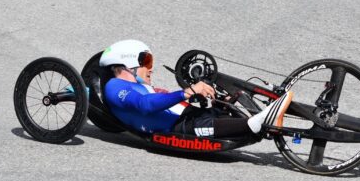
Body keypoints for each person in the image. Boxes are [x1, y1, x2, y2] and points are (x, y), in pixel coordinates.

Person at [99, 39, 293, 137]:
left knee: (226, 98)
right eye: (146, 61)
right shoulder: (114, 86)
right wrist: (187, 91)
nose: (150, 68)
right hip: (177, 128)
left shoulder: (142, 87)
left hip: (188, 114)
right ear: (125, 64)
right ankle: (259, 121)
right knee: (202, 125)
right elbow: (144, 105)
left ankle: (267, 116)